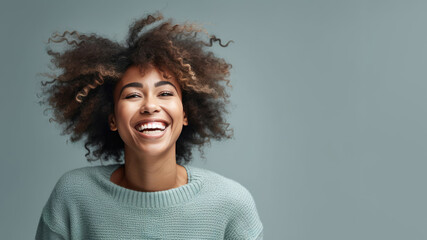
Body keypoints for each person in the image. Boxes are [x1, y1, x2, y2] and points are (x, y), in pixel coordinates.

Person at [36, 13, 263, 240]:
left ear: (185, 114)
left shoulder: (231, 205)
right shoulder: (73, 197)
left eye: (165, 93)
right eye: (133, 95)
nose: (150, 106)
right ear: (112, 118)